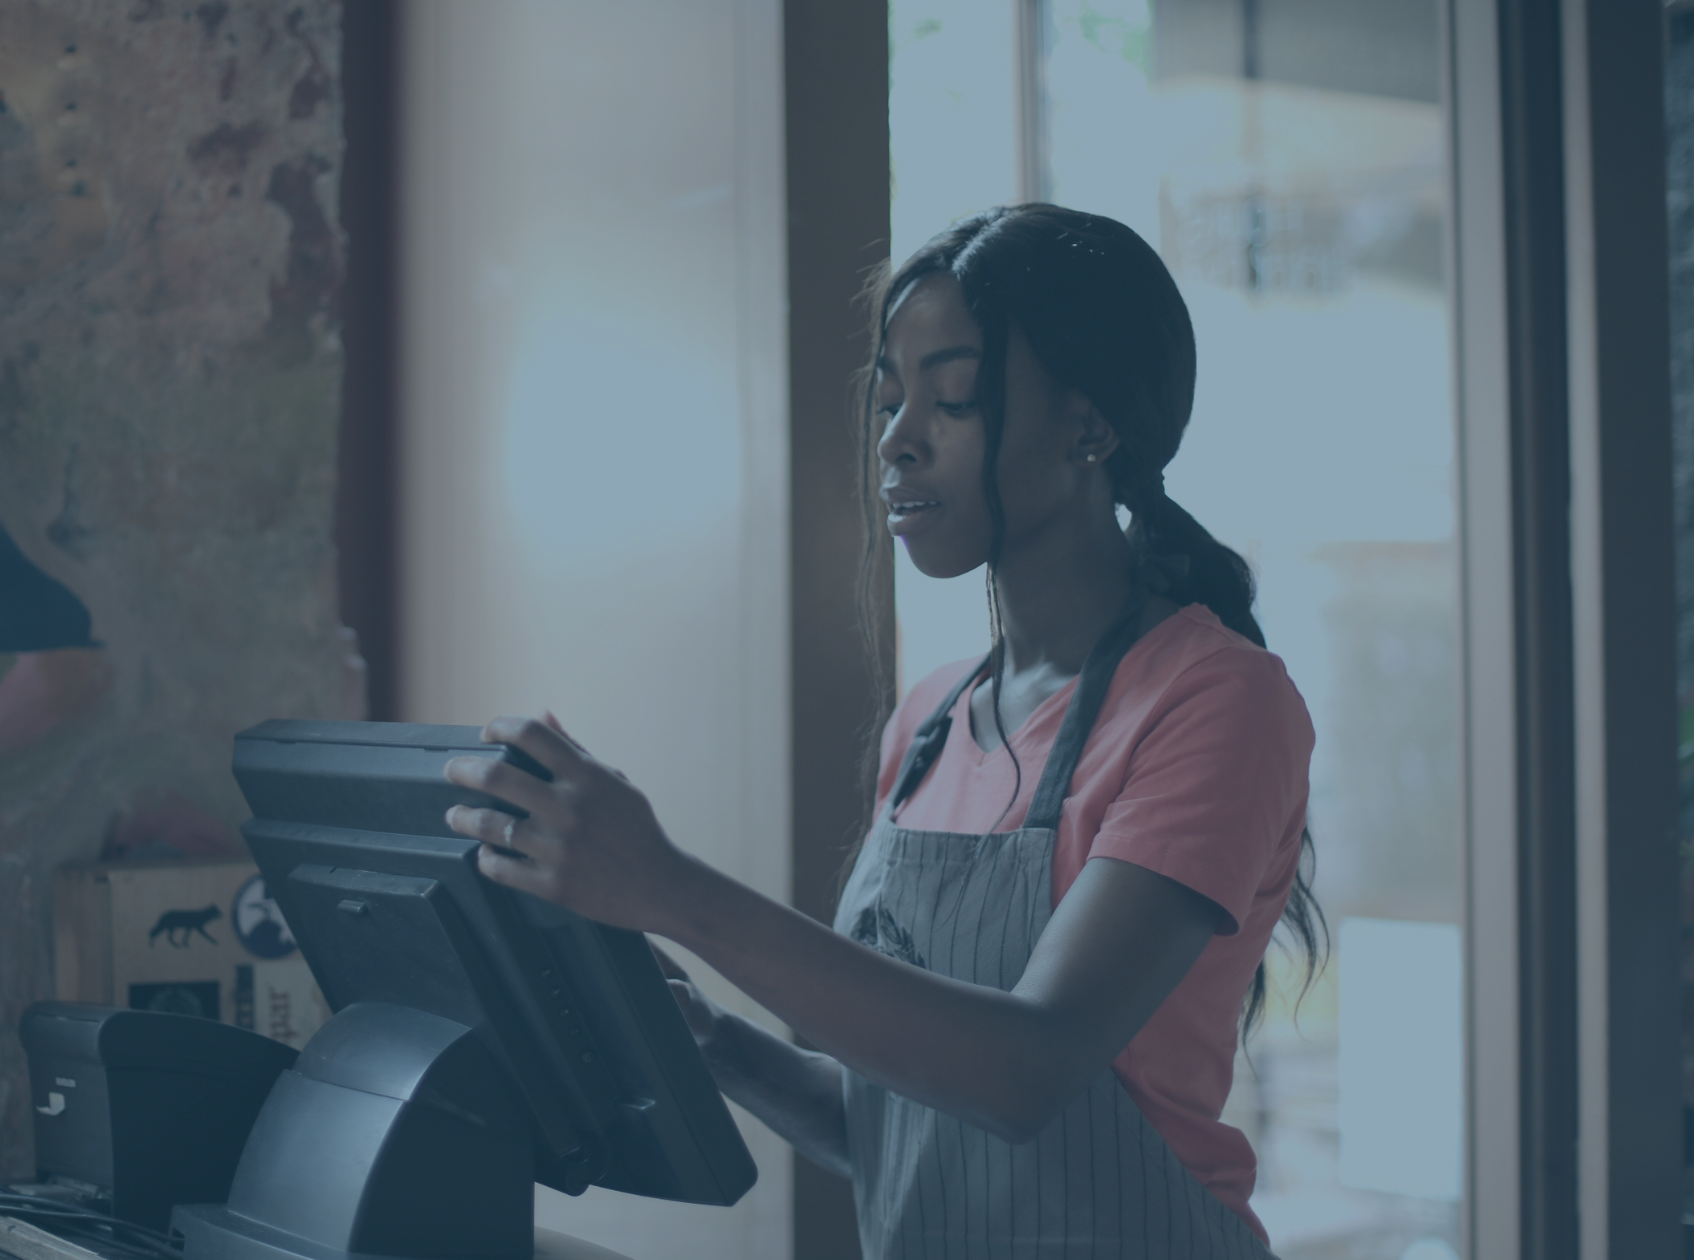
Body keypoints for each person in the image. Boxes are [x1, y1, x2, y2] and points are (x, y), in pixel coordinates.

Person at [443, 204, 1319, 1257]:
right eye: (888, 400)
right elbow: (902, 1130)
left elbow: (1020, 1071)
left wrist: (668, 887)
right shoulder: (930, 723)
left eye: (950, 398)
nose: (899, 441)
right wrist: (717, 1047)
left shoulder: (1213, 700)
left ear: (1088, 428)